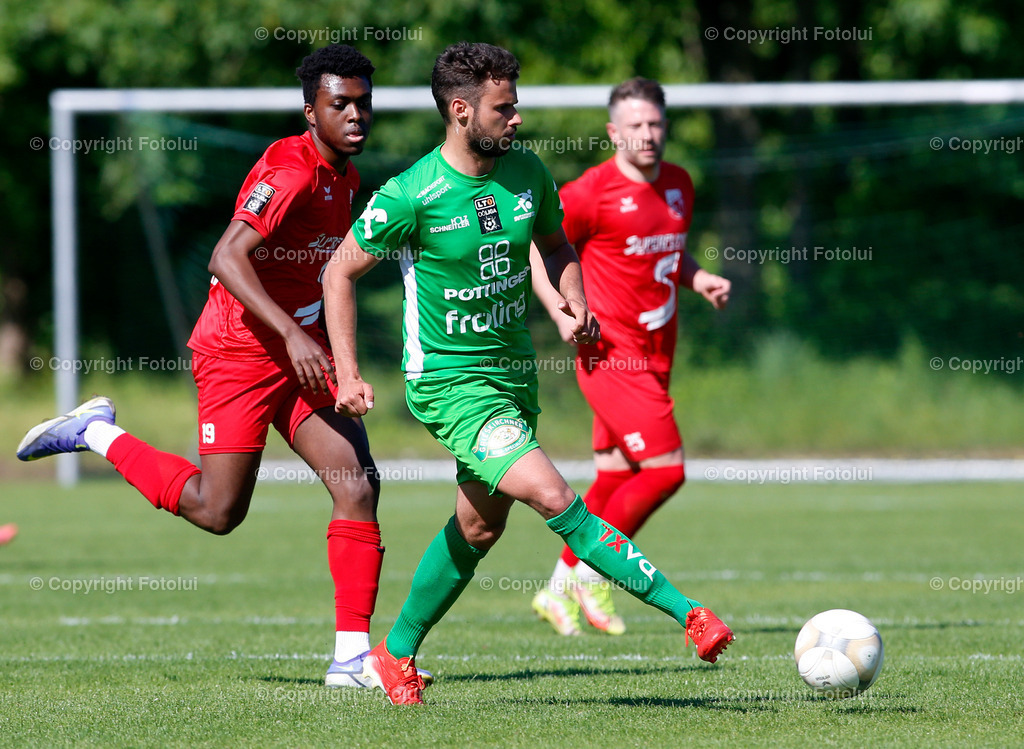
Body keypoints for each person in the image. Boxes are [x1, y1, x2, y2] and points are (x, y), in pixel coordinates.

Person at [323, 42, 733, 706]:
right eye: (503, 108)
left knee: (480, 527)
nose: (516, 118)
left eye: (516, 105)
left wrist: (576, 302)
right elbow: (337, 272)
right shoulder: (410, 194)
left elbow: (556, 243)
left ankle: (393, 653)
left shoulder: (527, 172)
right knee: (554, 496)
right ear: (461, 111)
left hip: (514, 379)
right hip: (451, 385)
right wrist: (347, 372)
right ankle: (690, 614)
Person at [15, 44, 428, 689]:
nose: (355, 115)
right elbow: (225, 257)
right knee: (217, 511)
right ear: (311, 111)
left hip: (298, 348)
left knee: (357, 484)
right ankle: (94, 432)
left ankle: (350, 660)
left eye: (363, 103)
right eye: (339, 104)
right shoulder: (290, 169)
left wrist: (322, 346)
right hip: (238, 352)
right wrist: (292, 334)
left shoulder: (346, 178)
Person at [529, 78, 732, 637]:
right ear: (614, 132)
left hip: (657, 352)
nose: (648, 134)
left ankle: (556, 589)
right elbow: (538, 248)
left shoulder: (678, 184)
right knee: (666, 470)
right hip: (610, 354)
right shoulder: (590, 192)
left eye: (655, 123)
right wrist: (560, 310)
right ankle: (591, 574)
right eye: (636, 125)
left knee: (615, 478)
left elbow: (667, 252)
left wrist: (700, 278)